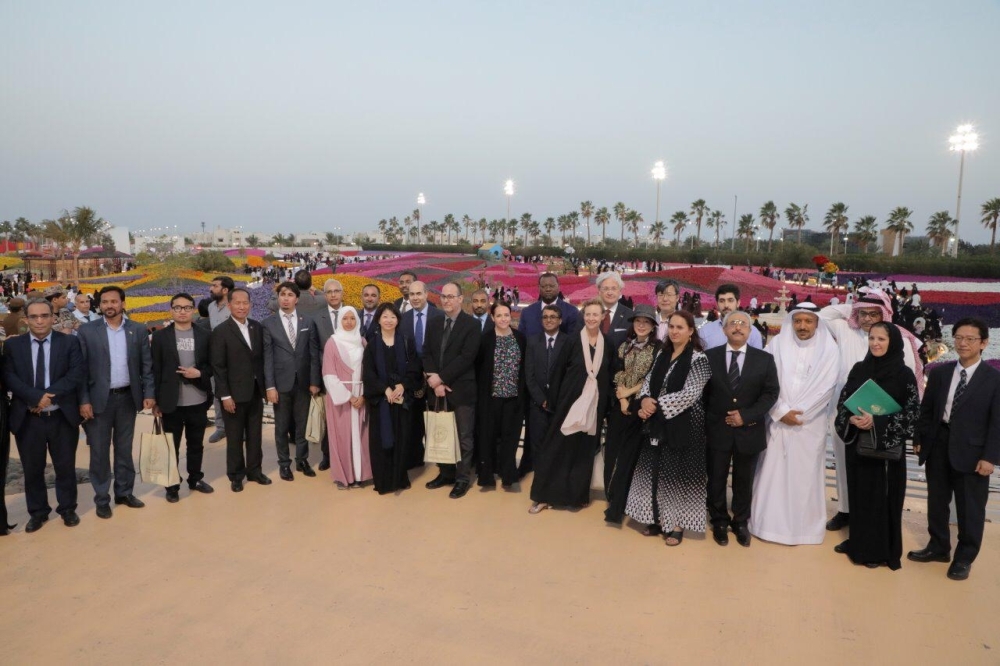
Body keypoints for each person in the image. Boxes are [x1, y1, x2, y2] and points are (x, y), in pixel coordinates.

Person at [820, 287, 922, 531]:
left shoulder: (902, 340)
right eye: (862, 313)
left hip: (884, 416)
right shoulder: (845, 328)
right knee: (845, 464)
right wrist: (851, 306)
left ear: (885, 314)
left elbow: (907, 384)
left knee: (878, 471)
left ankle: (874, 521)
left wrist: (880, 418)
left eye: (873, 313)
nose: (866, 319)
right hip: (847, 413)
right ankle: (845, 510)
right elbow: (823, 316)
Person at [910, 318, 1000, 581]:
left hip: (973, 452)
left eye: (970, 339)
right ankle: (938, 547)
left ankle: (964, 557)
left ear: (984, 343)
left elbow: (997, 423)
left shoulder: (994, 380)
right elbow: (926, 411)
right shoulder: (939, 373)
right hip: (938, 443)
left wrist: (990, 457)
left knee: (970, 508)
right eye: (959, 337)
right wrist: (919, 437)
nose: (963, 343)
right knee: (937, 501)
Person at [749, 303, 839, 545]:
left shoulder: (829, 350)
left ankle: (803, 530)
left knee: (804, 476)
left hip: (809, 426)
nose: (802, 326)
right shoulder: (776, 345)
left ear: (817, 323)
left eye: (808, 321)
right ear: (791, 322)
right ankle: (765, 525)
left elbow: (827, 389)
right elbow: (764, 380)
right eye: (798, 321)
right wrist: (780, 412)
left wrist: (799, 414)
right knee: (772, 473)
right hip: (777, 423)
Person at [833, 323, 919, 570]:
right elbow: (844, 402)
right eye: (872, 338)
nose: (875, 343)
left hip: (885, 453)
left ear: (893, 342)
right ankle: (858, 543)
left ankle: (879, 551)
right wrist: (850, 418)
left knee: (882, 499)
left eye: (882, 338)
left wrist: (877, 421)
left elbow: (912, 414)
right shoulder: (860, 369)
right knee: (860, 495)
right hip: (858, 445)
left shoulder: (903, 375)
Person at [625, 310, 710, 544]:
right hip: (656, 424)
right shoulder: (663, 354)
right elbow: (648, 383)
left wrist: (655, 406)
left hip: (683, 426)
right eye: (671, 326)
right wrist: (643, 401)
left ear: (691, 331)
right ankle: (655, 519)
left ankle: (676, 525)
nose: (674, 331)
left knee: (677, 476)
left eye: (680, 327)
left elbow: (691, 394)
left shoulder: (699, 359)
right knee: (654, 472)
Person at [2, 298, 85, 532]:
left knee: (65, 467)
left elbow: (75, 374)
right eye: (34, 317)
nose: (39, 321)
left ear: (53, 317)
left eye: (44, 316)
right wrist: (33, 397)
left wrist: (47, 397)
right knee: (33, 469)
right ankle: (38, 513)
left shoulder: (68, 343)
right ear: (26, 319)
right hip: (29, 419)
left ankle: (67, 509)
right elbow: (10, 377)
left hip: (61, 416)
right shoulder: (13, 346)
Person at [78, 286, 156, 518]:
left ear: (123, 303)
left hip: (127, 399)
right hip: (98, 401)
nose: (109, 306)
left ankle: (124, 492)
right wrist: (83, 400)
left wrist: (149, 392)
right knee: (100, 452)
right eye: (104, 302)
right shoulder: (87, 331)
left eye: (114, 301)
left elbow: (146, 366)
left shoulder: (137, 330)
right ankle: (102, 498)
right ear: (100, 305)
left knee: (124, 449)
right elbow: (80, 370)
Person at [529, 299, 613, 514]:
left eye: (596, 314)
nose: (592, 318)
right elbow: (558, 373)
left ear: (603, 317)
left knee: (583, 451)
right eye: (588, 314)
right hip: (568, 404)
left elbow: (610, 377)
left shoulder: (608, 344)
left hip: (593, 407)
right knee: (555, 448)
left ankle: (575, 497)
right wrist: (554, 402)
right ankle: (543, 496)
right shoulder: (572, 340)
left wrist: (606, 409)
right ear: (583, 316)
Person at [704, 310, 780, 547]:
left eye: (743, 324)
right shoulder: (709, 357)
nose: (737, 328)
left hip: (749, 429)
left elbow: (770, 393)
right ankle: (718, 520)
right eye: (732, 324)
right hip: (717, 429)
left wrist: (746, 416)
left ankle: (740, 521)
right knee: (715, 477)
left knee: (744, 479)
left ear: (750, 330)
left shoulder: (764, 359)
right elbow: (703, 394)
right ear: (724, 330)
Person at [151, 293, 215, 502]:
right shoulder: (161, 337)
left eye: (186, 308)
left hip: (197, 399)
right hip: (171, 402)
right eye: (177, 308)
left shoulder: (204, 334)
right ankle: (172, 484)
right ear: (171, 309)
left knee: (196, 444)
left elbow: (212, 365)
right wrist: (155, 400)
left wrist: (199, 374)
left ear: (193, 310)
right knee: (172, 446)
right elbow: (155, 369)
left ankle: (195, 478)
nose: (182, 311)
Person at [422, 282, 481, 499]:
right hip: (436, 390)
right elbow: (426, 352)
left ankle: (462, 478)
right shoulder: (434, 322)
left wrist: (442, 378)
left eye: (450, 296)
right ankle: (445, 473)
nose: (446, 300)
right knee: (441, 433)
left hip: (462, 390)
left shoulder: (472, 325)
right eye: (443, 296)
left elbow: (467, 357)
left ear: (460, 299)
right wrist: (434, 381)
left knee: (464, 437)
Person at [603, 304, 659, 523]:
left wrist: (631, 393)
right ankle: (612, 498)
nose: (641, 325)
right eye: (638, 321)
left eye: (646, 322)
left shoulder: (658, 349)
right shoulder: (624, 345)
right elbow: (615, 371)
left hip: (641, 409)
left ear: (653, 326)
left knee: (631, 456)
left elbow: (654, 377)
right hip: (620, 405)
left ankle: (626, 501)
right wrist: (622, 398)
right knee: (613, 452)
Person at [211, 288, 270, 492]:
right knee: (234, 437)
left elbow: (260, 359)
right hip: (233, 395)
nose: (242, 307)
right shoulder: (221, 332)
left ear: (250, 305)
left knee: (255, 434)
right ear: (229, 306)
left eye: (245, 303)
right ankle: (236, 475)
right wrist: (225, 395)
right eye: (237, 303)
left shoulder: (256, 327)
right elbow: (218, 367)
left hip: (255, 391)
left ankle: (255, 471)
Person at [363, 303, 420, 494]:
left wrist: (402, 386)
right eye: (385, 316)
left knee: (402, 440)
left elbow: (414, 370)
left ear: (398, 320)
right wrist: (384, 390)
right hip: (381, 402)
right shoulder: (372, 345)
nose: (389, 320)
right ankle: (383, 481)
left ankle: (400, 478)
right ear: (378, 319)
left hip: (401, 400)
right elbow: (369, 374)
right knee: (381, 442)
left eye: (393, 317)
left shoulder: (406, 342)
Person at [263, 281, 315, 481]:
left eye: (289, 295)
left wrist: (314, 381)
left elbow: (313, 354)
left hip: (302, 382)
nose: (285, 298)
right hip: (280, 384)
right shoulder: (268, 323)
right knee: (282, 427)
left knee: (302, 425)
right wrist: (270, 386)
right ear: (278, 298)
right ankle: (284, 464)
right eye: (282, 294)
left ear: (297, 299)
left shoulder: (307, 321)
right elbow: (267, 357)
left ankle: (302, 460)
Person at [474, 301, 526, 489]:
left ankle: (508, 475)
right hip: (490, 398)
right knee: (487, 436)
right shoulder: (485, 339)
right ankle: (486, 475)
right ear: (492, 317)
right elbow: (478, 368)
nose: (503, 319)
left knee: (510, 437)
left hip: (513, 398)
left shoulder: (520, 338)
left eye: (506, 315)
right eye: (499, 315)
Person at [323, 306, 371, 488]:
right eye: (345, 318)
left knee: (361, 436)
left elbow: (369, 371)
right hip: (342, 398)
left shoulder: (362, 341)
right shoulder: (332, 343)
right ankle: (344, 476)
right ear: (339, 321)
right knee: (341, 436)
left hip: (361, 395)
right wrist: (349, 397)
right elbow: (329, 374)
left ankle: (360, 474)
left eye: (352, 318)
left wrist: (364, 395)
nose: (349, 322)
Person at [400, 280, 442, 468]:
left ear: (426, 294)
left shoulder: (439, 316)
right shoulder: (403, 319)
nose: (415, 298)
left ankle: (443, 464)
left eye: (419, 294)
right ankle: (415, 457)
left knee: (438, 418)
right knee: (414, 420)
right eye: (411, 294)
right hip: (413, 378)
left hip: (436, 376)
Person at [524, 304, 567, 483]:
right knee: (538, 445)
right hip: (538, 406)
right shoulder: (533, 341)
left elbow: (569, 375)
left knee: (557, 445)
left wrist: (556, 400)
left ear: (560, 320)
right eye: (545, 317)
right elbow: (529, 375)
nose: (549, 320)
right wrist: (541, 399)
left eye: (553, 317)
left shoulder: (568, 341)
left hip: (559, 405)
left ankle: (554, 482)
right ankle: (540, 482)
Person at [309, 278, 346, 471]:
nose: (333, 295)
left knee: (346, 419)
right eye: (329, 291)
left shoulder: (352, 313)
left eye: (336, 291)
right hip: (327, 377)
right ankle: (327, 456)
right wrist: (315, 381)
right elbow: (314, 352)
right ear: (324, 295)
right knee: (328, 419)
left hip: (349, 379)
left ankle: (345, 453)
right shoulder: (317, 317)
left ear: (342, 293)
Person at [206, 275, 234, 444]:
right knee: (218, 392)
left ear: (225, 290)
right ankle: (221, 427)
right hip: (216, 357)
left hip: (233, 356)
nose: (211, 288)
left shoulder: (235, 306)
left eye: (215, 286)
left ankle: (240, 428)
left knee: (236, 392)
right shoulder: (211, 307)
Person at [698, 284, 763, 350]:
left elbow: (758, 358)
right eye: (722, 301)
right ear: (717, 304)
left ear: (738, 303)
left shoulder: (753, 332)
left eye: (730, 300)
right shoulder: (705, 332)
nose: (726, 305)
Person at [518, 272, 579, 337]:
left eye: (552, 286)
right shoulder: (527, 312)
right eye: (544, 286)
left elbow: (574, 341)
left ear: (558, 287)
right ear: (539, 288)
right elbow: (521, 340)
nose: (548, 289)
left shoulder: (571, 312)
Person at [595, 271, 632, 350]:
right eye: (606, 289)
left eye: (614, 288)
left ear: (620, 291)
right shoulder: (587, 314)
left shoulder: (630, 316)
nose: (610, 292)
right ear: (599, 290)